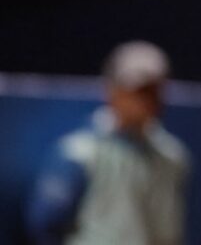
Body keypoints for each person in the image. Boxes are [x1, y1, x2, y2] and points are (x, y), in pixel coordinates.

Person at [25, 41, 190, 245]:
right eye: (137, 91)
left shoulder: (173, 157)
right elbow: (46, 224)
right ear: (113, 91)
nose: (145, 100)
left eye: (153, 91)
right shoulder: (79, 153)